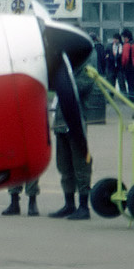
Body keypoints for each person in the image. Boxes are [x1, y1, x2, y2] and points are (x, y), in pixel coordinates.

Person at [48, 61, 95, 220]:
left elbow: (78, 89)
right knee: (64, 166)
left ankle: (83, 206)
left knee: (81, 166)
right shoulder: (65, 71)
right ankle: (69, 204)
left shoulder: (86, 71)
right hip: (61, 124)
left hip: (76, 125)